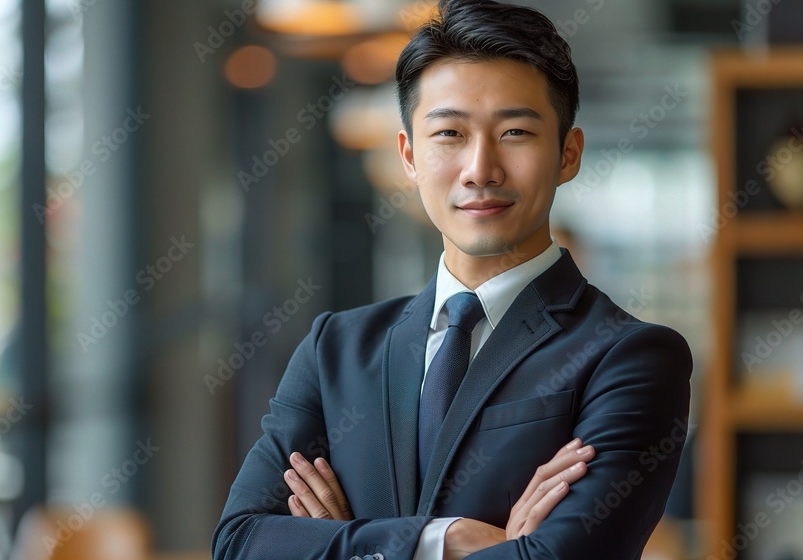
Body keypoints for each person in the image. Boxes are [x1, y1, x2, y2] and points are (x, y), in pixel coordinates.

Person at [212, 0, 692, 558]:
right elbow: (240, 542)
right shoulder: (335, 350)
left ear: (568, 153)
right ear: (409, 156)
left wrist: (339, 545)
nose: (480, 169)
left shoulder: (631, 357)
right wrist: (444, 539)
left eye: (515, 131)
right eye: (450, 134)